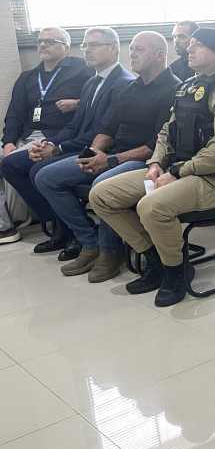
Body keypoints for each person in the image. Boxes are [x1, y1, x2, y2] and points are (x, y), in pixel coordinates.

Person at [90, 28, 215, 307]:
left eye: (198, 45)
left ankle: (175, 272)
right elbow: (166, 133)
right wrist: (156, 162)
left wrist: (177, 171)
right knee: (102, 195)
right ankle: (157, 259)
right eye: (190, 44)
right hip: (179, 169)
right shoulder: (187, 87)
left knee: (151, 205)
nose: (189, 49)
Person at [34, 32, 179, 282]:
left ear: (159, 55)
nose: (131, 53)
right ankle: (90, 242)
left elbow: (157, 144)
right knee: (46, 176)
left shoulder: (172, 89)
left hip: (146, 160)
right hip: (115, 154)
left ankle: (112, 252)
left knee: (103, 184)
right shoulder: (131, 86)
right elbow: (108, 129)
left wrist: (110, 161)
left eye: (139, 49)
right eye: (131, 48)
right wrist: (93, 153)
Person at [1, 27, 133, 259]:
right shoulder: (92, 82)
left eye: (94, 45)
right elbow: (74, 126)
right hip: (72, 141)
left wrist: (58, 149)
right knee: (14, 164)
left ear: (114, 49)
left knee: (40, 170)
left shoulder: (123, 82)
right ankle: (61, 226)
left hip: (102, 149)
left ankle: (80, 233)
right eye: (85, 45)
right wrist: (48, 143)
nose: (87, 50)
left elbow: (103, 131)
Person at [0, 26, 93, 244]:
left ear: (66, 47)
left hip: (58, 136)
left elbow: (100, 99)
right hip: (27, 135)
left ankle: (52, 219)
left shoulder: (83, 68)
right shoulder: (28, 77)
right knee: (8, 156)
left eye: (50, 41)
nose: (43, 45)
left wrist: (78, 104)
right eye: (40, 41)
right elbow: (14, 114)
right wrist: (8, 142)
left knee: (12, 163)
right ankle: (7, 224)